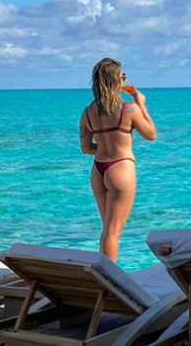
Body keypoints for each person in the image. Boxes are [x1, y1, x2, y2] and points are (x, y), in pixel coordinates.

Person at [79, 58, 157, 262]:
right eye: (121, 77)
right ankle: (109, 278)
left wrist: (106, 147)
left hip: (98, 170)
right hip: (120, 168)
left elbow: (86, 149)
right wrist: (142, 104)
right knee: (112, 233)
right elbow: (150, 134)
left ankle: (101, 274)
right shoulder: (129, 108)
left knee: (106, 231)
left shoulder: (87, 112)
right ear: (116, 80)